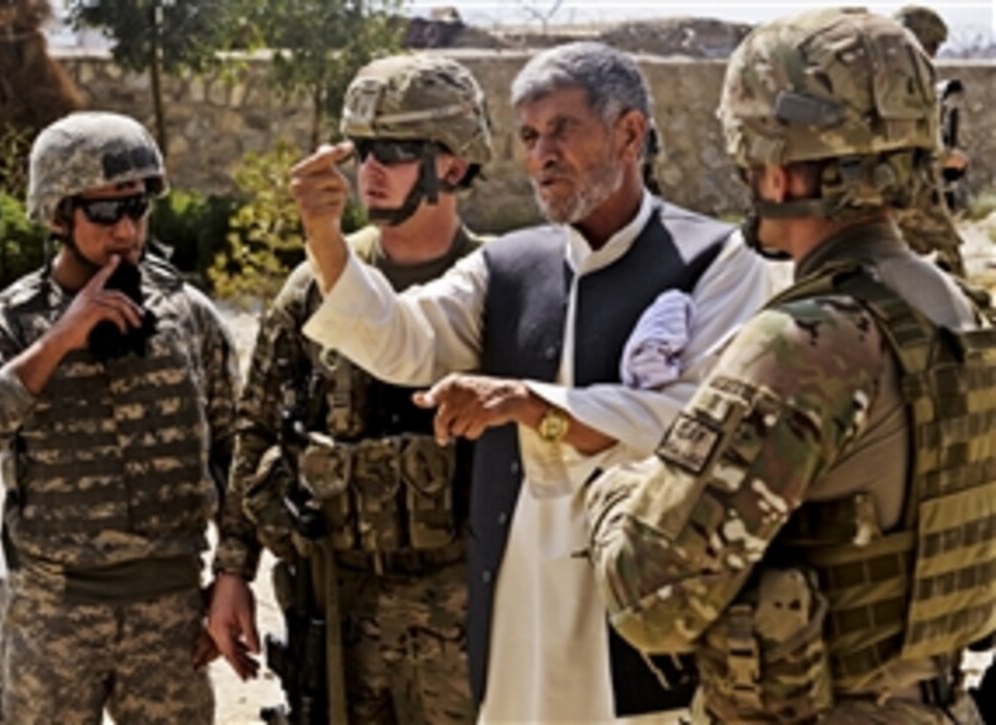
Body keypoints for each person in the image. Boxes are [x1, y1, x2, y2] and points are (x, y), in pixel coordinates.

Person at [290, 42, 771, 722]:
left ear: (630, 132)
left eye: (562, 129)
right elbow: (400, 339)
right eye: (529, 135)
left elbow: (695, 422)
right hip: (519, 602)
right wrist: (324, 235)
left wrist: (527, 403)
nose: (542, 153)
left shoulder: (716, 260)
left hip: (642, 601)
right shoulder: (510, 264)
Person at [587, 9, 991, 723]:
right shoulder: (962, 312)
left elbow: (648, 599)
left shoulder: (805, 344)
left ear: (775, 166)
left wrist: (617, 489)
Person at [206, 54, 491, 723]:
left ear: (453, 163)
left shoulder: (502, 285)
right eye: (360, 151)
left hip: (465, 610)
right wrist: (231, 573)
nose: (369, 171)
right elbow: (257, 429)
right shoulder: (312, 286)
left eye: (394, 152)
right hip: (341, 606)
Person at [0, 111, 241, 724]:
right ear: (58, 215)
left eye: (139, 207)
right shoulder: (15, 322)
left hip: (168, 618)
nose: (128, 229)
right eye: (105, 213)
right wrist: (55, 345)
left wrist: (232, 577)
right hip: (51, 621)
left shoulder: (188, 317)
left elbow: (234, 453)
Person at [893, 6, 970, 276]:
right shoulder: (912, 83)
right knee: (952, 274)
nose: (933, 55)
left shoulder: (872, 79)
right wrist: (950, 157)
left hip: (872, 200)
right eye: (933, 46)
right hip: (911, 193)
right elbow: (914, 146)